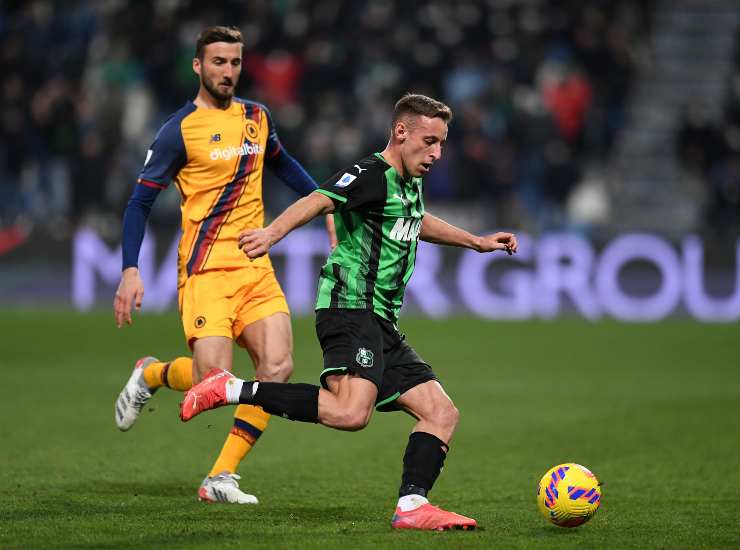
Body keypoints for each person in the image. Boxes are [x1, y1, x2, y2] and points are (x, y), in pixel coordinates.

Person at [179, 93, 518, 530]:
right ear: (401, 131)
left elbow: (415, 220)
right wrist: (272, 233)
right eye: (429, 141)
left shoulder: (409, 180)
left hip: (381, 320)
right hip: (349, 306)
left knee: (440, 412)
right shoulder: (370, 173)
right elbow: (319, 199)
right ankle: (231, 389)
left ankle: (412, 507)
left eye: (441, 143)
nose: (436, 153)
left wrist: (476, 241)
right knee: (349, 412)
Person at [112, 26, 335, 504]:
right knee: (212, 382)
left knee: (276, 366)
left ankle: (220, 477)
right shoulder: (178, 131)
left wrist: (325, 201)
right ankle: (150, 374)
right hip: (205, 272)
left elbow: (284, 163)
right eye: (218, 62)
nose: (228, 71)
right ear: (198, 66)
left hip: (254, 268)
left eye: (234, 63)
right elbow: (138, 204)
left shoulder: (258, 117)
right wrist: (130, 268)